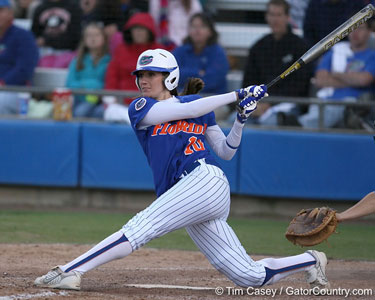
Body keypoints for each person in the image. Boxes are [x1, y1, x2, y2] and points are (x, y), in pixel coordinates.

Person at [34, 48, 330, 291]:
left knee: (140, 228)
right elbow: (186, 109)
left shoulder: (201, 108)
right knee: (249, 276)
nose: (145, 80)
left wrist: (240, 119)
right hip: (187, 195)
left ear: (170, 77)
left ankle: (70, 270)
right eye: (142, 75)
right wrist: (237, 94)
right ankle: (310, 260)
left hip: (206, 181)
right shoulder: (140, 108)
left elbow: (226, 152)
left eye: (152, 75)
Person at [234, 0, 312, 126]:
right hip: (258, 105)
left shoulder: (300, 47)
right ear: (266, 17)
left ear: (287, 17)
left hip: (288, 105)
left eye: (279, 15)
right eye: (271, 14)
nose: (275, 19)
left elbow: (300, 86)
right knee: (233, 120)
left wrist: (270, 103)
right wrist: (255, 103)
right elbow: (248, 82)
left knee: (270, 122)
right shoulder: (258, 47)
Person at [292, 21, 375, 129]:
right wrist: (352, 79)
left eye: (360, 28)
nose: (355, 32)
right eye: (352, 28)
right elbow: (320, 80)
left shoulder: (372, 56)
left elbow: (364, 80)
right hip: (326, 100)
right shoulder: (335, 51)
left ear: (369, 32)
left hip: (353, 106)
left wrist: (335, 74)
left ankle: (300, 125)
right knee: (322, 107)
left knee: (342, 106)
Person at [105, 12, 164, 107]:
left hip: (152, 104)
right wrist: (111, 99)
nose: (138, 32)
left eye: (141, 29)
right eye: (135, 29)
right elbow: (112, 77)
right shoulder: (120, 50)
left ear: (149, 31)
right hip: (121, 103)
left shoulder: (159, 52)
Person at [173, 13, 229, 94]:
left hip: (212, 99)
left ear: (210, 31)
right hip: (183, 98)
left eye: (202, 26)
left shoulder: (218, 53)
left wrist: (186, 75)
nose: (197, 30)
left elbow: (212, 81)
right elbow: (172, 77)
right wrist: (199, 73)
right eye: (194, 26)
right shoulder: (180, 51)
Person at [0, 0, 39, 115]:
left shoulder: (23, 36)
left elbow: (24, 69)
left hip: (16, 90)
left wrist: (3, 82)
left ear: (11, 13)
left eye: (1, 11)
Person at [65, 23, 110, 118]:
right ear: (84, 40)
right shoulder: (77, 60)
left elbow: (107, 85)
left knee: (96, 112)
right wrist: (90, 85)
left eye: (97, 35)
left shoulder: (109, 61)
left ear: (104, 38)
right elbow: (69, 84)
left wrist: (83, 85)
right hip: (77, 99)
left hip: (99, 100)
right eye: (89, 35)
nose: (93, 38)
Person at [31, 0, 82, 68]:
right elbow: (34, 34)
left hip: (67, 52)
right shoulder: (40, 8)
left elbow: (75, 36)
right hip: (43, 53)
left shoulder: (74, 7)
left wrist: (46, 41)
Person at [303, 0, 368, 48]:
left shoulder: (355, 3)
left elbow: (366, 26)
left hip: (350, 51)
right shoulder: (315, 4)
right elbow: (308, 32)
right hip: (320, 53)